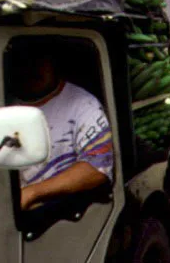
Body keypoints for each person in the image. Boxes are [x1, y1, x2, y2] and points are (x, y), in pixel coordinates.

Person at [7, 40, 114, 211]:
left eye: (39, 60)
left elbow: (97, 167)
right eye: (25, 62)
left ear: (54, 63)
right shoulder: (3, 107)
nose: (32, 68)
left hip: (63, 211)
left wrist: (32, 193)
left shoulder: (83, 104)